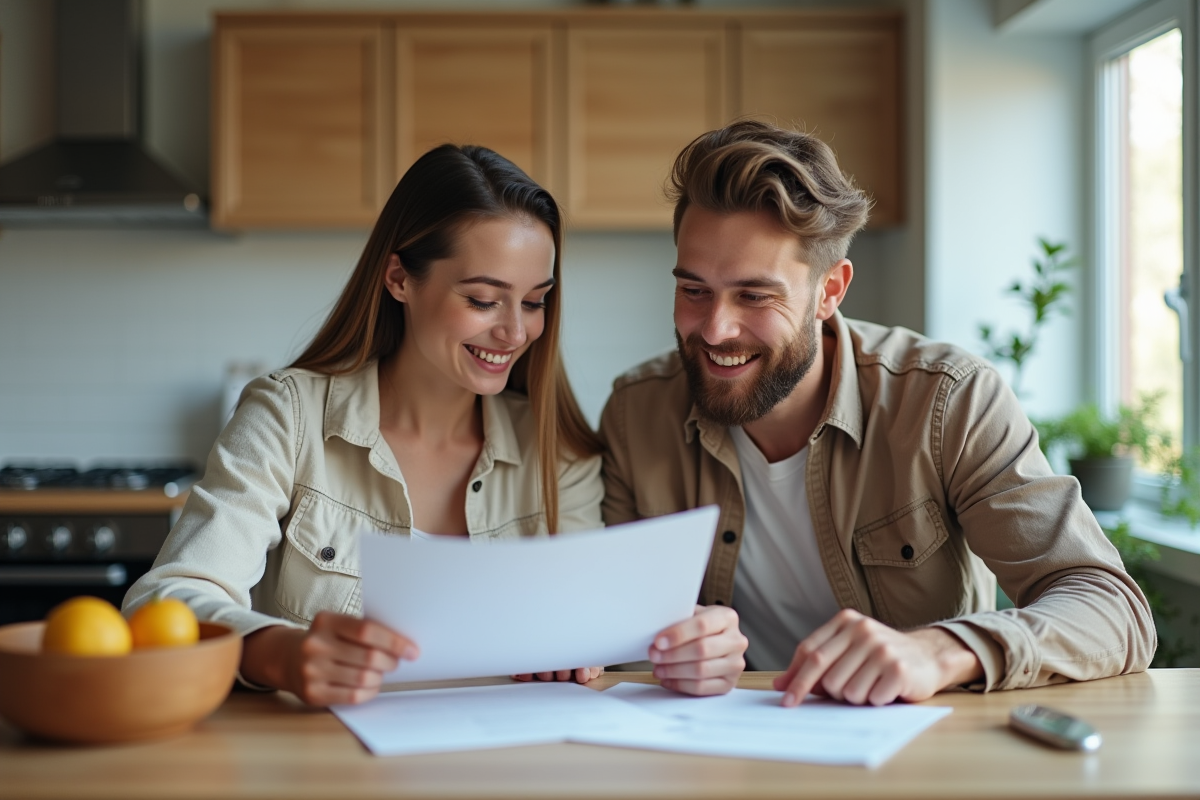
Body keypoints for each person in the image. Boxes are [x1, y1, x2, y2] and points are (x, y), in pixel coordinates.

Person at [123, 145, 745, 706]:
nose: (514, 331)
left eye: (534, 301)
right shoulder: (288, 417)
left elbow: (596, 645)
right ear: (399, 278)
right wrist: (278, 653)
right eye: (481, 300)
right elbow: (166, 601)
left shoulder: (559, 452)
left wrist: (679, 644)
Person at [599, 120, 1157, 706]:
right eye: (694, 290)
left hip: (919, 757)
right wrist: (671, 650)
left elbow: (1111, 607)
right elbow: (609, 621)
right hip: (724, 750)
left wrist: (939, 651)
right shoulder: (636, 414)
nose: (715, 328)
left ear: (830, 291)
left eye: (754, 296)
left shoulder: (949, 402)